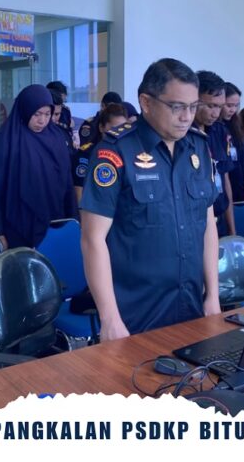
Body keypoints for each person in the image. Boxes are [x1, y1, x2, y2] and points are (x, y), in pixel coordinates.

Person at [80, 58, 219, 339]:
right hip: (135, 316)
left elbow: (208, 225)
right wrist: (110, 319)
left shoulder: (198, 148)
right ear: (146, 102)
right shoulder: (115, 151)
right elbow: (92, 239)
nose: (187, 117)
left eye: (193, 107)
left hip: (191, 306)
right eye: (177, 107)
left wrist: (213, 295)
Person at [0, 85, 76, 249]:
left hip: (54, 221)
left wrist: (73, 220)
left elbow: (67, 182)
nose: (42, 120)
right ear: (25, 110)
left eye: (47, 114)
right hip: (17, 224)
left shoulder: (57, 137)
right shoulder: (5, 141)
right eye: (37, 114)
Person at [194, 70, 236, 236]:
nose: (216, 114)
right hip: (196, 223)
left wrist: (232, 228)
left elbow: (225, 180)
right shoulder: (181, 135)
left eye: (219, 107)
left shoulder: (220, 132)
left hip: (220, 219)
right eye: (210, 106)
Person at [72, 103, 128, 203]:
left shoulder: (129, 154)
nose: (119, 134)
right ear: (101, 127)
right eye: (114, 129)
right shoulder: (86, 154)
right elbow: (79, 195)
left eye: (123, 129)